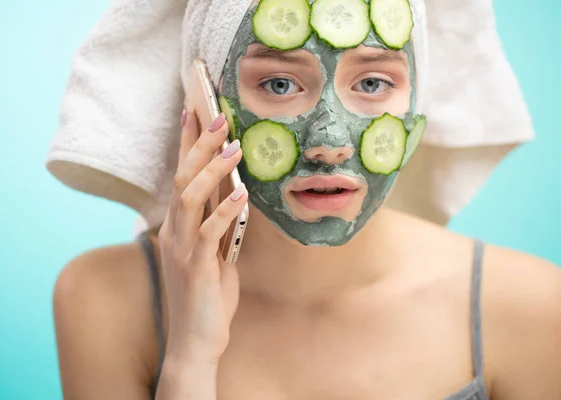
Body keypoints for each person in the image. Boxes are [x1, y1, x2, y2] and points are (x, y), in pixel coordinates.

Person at [51, 0, 561, 399]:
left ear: (416, 107)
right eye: (278, 84)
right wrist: (189, 360)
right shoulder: (105, 303)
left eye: (373, 82)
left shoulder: (531, 307)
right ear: (204, 97)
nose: (329, 141)